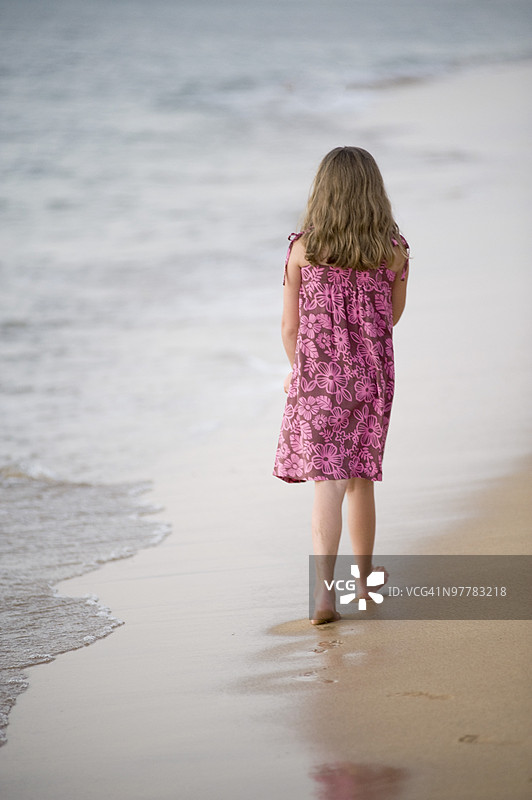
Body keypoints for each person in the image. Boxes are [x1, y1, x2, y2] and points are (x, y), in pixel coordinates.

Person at [272, 146, 409, 624]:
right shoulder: (392, 250)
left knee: (327, 485)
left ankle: (324, 597)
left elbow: (289, 329)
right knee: (362, 480)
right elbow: (390, 317)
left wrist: (303, 367)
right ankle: (365, 586)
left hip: (320, 381)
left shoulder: (302, 249)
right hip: (370, 380)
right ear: (375, 194)